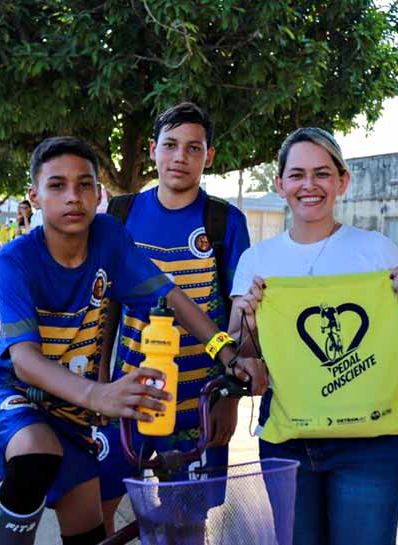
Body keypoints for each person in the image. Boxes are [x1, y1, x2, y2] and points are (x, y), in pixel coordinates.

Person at [0, 137, 265, 545]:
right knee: (36, 454)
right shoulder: (16, 257)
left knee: (91, 536)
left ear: (98, 193)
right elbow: (24, 361)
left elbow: (171, 297)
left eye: (84, 184)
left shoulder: (107, 236)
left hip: (70, 411)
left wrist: (227, 357)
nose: (73, 197)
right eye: (57, 185)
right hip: (10, 391)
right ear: (34, 195)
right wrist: (99, 394)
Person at [229, 128, 398, 545]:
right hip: (287, 441)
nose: (309, 185)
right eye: (297, 175)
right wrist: (248, 320)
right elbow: (244, 359)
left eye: (322, 173)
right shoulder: (258, 260)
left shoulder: (376, 250)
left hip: (369, 444)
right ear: (279, 184)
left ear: (342, 181)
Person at [95, 102, 251, 533]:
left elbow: (243, 313)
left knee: (188, 521)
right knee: (99, 504)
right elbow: (107, 306)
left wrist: (229, 397)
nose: (180, 157)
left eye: (193, 148)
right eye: (170, 145)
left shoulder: (225, 222)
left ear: (209, 156)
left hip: (199, 405)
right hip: (127, 394)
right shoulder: (121, 215)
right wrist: (99, 382)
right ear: (152, 150)